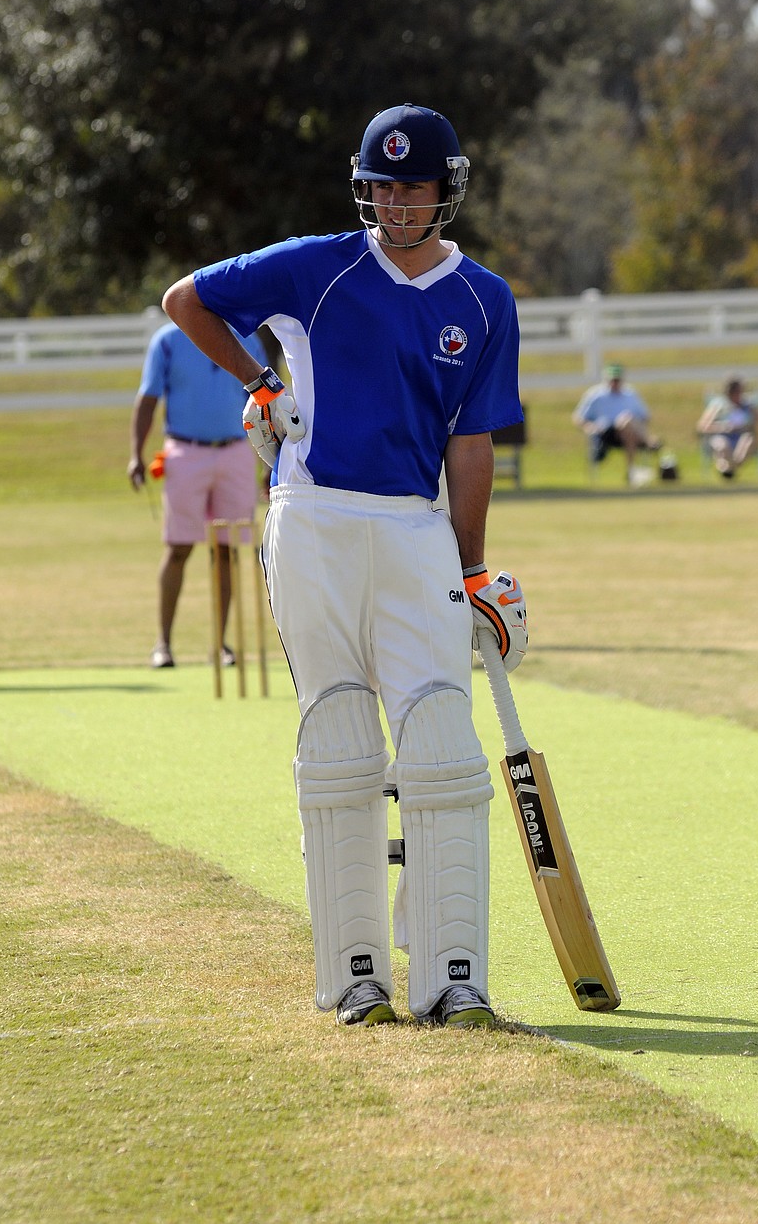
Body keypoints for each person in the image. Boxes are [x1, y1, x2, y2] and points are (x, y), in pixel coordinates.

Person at [161, 103, 527, 1029]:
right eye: (385, 186)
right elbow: (186, 300)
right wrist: (261, 383)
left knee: (442, 738)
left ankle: (454, 974)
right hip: (313, 518)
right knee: (341, 740)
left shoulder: (484, 297)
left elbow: (472, 440)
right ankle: (356, 973)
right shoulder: (313, 265)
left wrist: (475, 569)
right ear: (365, 187)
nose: (400, 204)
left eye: (416, 187)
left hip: (415, 527)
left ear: (448, 189)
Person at [127, 321, 267, 669]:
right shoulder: (169, 340)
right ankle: (163, 645)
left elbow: (266, 398)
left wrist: (273, 461)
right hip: (184, 451)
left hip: (235, 449)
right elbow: (147, 398)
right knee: (178, 548)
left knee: (226, 549)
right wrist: (136, 454)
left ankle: (220, 646)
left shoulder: (246, 337)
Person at [573, 363, 661, 486]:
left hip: (629, 432)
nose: (615, 383)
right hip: (605, 432)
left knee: (627, 423)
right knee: (625, 420)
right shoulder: (596, 395)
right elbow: (579, 417)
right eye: (612, 380)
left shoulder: (630, 394)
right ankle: (649, 442)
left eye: (617, 379)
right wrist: (589, 427)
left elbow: (645, 416)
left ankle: (631, 472)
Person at [696, 376, 758, 478]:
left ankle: (729, 468)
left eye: (740, 391)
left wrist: (746, 426)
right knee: (722, 444)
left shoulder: (747, 405)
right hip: (721, 437)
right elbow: (702, 426)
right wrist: (723, 427)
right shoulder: (718, 405)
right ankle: (729, 469)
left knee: (748, 440)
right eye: (735, 391)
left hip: (741, 438)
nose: (738, 394)